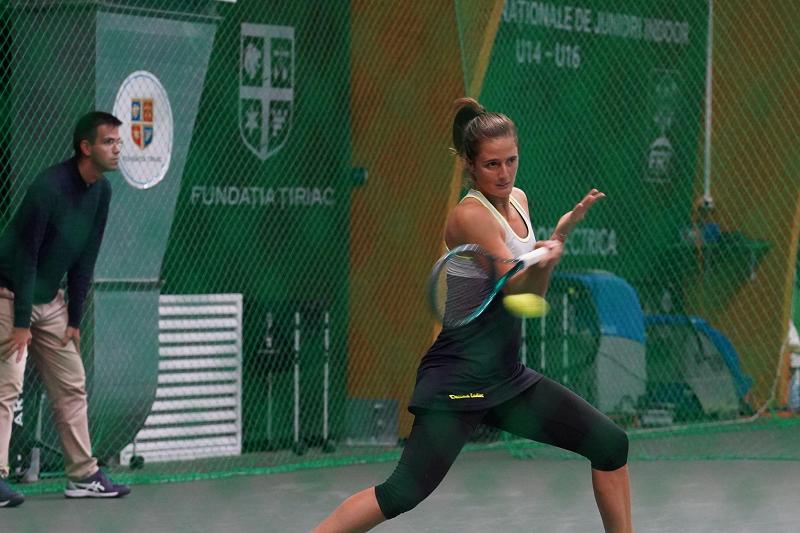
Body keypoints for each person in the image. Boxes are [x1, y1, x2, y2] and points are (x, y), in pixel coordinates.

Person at [313, 98, 631, 532]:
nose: (504, 174)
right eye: (491, 165)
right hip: (459, 379)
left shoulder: (518, 200)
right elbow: (518, 289)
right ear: (468, 165)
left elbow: (529, 300)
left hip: (506, 375)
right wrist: (548, 258)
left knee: (611, 445)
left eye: (511, 161)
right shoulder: (469, 216)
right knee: (401, 493)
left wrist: (554, 240)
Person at [0, 111, 131, 507]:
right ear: (85, 147)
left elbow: (85, 256)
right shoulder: (48, 188)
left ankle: (83, 475)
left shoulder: (102, 192)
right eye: (109, 142)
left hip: (50, 301)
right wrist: (21, 322)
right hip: (9, 296)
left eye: (118, 141)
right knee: (6, 387)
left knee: (72, 382)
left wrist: (74, 317)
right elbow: (25, 257)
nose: (118, 148)